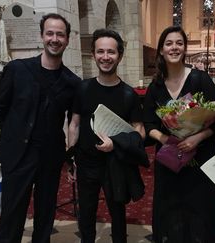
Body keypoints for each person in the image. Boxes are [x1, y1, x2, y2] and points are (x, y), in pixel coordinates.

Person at [0, 13, 80, 243]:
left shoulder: (72, 82)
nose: (55, 38)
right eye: (50, 33)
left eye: (60, 34)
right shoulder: (18, 69)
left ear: (67, 39)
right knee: (12, 216)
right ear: (42, 36)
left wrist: (71, 157)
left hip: (50, 157)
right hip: (17, 155)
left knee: (45, 216)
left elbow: (73, 123)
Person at [67, 28, 148, 243]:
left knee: (118, 213)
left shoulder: (128, 94)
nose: (105, 57)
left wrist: (118, 144)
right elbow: (74, 124)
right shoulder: (83, 89)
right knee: (86, 213)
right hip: (86, 162)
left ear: (119, 55)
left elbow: (139, 130)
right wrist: (70, 158)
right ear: (93, 54)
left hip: (115, 163)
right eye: (100, 51)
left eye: (111, 52)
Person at [143, 26, 215, 243]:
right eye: (169, 43)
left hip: (199, 159)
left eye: (179, 43)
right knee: (170, 209)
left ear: (185, 48)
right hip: (170, 160)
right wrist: (164, 138)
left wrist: (198, 136)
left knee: (199, 209)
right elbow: (149, 123)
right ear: (161, 50)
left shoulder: (200, 79)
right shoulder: (156, 86)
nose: (174, 47)